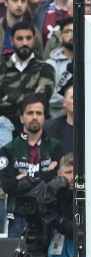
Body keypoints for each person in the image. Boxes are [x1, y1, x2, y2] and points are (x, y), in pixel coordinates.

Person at [0, 95, 63, 237]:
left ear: (44, 118)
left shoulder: (56, 147)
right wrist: (45, 175)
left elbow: (58, 179)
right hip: (18, 214)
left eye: (39, 113)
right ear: (21, 118)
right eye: (30, 113)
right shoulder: (7, 150)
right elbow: (8, 185)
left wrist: (25, 179)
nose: (34, 117)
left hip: (50, 213)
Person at [0, 21, 55, 127]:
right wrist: (29, 96)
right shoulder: (2, 69)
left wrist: (6, 97)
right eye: (20, 39)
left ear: (34, 40)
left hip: (36, 127)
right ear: (12, 41)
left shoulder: (45, 69)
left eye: (28, 38)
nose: (24, 43)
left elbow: (40, 100)